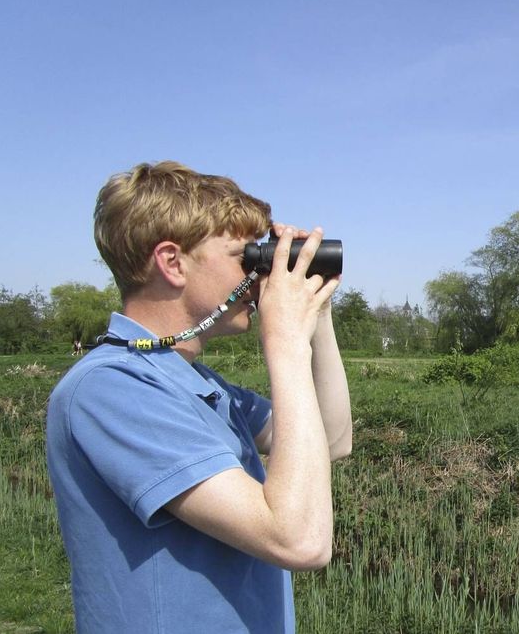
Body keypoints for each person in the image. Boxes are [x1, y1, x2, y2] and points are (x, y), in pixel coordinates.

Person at [45, 161, 352, 633]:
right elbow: (300, 540)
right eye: (243, 256)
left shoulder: (194, 383)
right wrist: (285, 342)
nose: (257, 274)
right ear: (172, 262)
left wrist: (319, 312)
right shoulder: (109, 389)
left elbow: (332, 441)